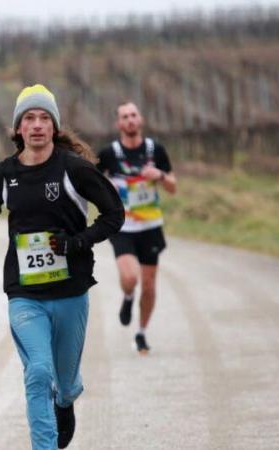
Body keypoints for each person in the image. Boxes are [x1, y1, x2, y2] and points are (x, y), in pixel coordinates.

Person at [0, 84, 123, 450]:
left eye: (44, 118)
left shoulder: (75, 170)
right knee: (37, 373)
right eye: (29, 118)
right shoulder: (4, 173)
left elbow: (114, 214)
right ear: (18, 128)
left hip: (71, 291)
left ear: (54, 127)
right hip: (25, 293)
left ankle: (65, 402)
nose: (36, 125)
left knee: (63, 383)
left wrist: (77, 241)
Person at [96, 101, 177, 354]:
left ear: (140, 120)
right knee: (131, 278)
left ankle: (141, 333)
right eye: (125, 117)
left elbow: (173, 186)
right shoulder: (110, 154)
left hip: (151, 226)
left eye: (133, 115)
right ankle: (128, 296)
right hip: (123, 227)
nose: (130, 120)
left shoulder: (155, 150)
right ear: (118, 124)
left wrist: (161, 176)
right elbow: (91, 184)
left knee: (150, 286)